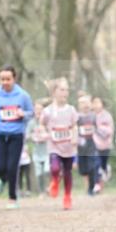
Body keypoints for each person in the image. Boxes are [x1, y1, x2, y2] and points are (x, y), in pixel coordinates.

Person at [0, 65, 34, 209]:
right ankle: (3, 180)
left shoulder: (22, 95)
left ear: (14, 79)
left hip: (16, 135)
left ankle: (12, 198)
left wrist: (24, 114)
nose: (5, 82)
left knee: (12, 167)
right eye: (2, 79)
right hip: (0, 134)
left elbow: (31, 112)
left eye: (8, 79)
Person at [42, 77, 78, 210]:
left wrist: (74, 137)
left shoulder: (71, 110)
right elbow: (41, 125)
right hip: (54, 146)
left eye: (66, 90)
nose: (65, 93)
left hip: (68, 146)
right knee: (55, 167)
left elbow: (74, 126)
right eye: (62, 89)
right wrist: (44, 133)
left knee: (67, 172)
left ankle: (67, 197)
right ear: (54, 92)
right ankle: (55, 181)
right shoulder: (47, 111)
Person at [76, 94, 98, 196]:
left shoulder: (94, 116)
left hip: (92, 143)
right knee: (83, 170)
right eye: (82, 103)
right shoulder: (77, 117)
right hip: (80, 145)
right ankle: (85, 174)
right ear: (79, 105)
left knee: (92, 167)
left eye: (86, 103)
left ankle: (91, 188)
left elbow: (99, 128)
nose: (85, 105)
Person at [27, 100, 50, 195]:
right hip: (36, 151)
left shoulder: (48, 121)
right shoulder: (31, 123)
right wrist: (33, 137)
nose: (38, 111)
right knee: (39, 173)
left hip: (47, 150)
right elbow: (27, 135)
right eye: (36, 109)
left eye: (40, 109)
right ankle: (42, 192)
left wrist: (46, 136)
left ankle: (50, 187)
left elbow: (53, 132)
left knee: (47, 170)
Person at [92, 96, 114, 189]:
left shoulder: (107, 116)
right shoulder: (90, 115)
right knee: (96, 163)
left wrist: (99, 128)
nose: (96, 105)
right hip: (94, 144)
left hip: (105, 144)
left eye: (98, 102)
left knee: (103, 164)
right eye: (94, 102)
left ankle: (106, 169)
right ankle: (97, 184)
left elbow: (110, 130)